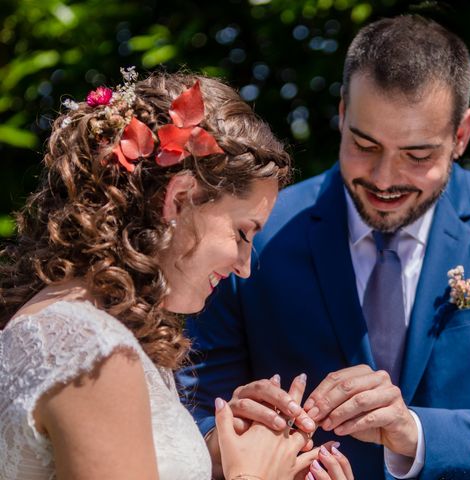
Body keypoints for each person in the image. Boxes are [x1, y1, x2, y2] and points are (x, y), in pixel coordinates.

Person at [179, 14, 470, 480]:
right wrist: (229, 443)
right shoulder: (256, 234)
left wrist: (415, 433)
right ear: (342, 114)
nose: (384, 179)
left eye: (417, 156)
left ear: (461, 135)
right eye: (364, 144)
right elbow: (192, 409)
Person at [0, 69, 354, 480]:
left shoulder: (85, 326)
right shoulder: (90, 349)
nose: (243, 266)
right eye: (242, 233)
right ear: (180, 199)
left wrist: (216, 458)